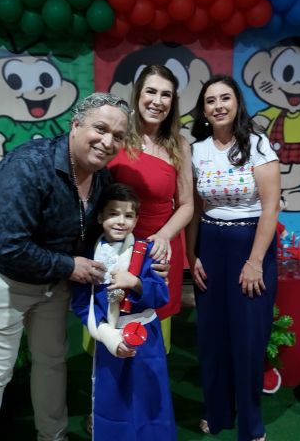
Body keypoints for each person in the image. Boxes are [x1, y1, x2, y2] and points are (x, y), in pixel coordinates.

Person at [0, 93, 131, 441]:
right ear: (75, 125)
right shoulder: (27, 165)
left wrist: (139, 256)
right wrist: (68, 266)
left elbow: (97, 230)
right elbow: (7, 246)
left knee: (52, 361)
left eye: (118, 135)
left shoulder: (102, 177)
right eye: (100, 128)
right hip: (4, 277)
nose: (108, 141)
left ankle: (53, 436)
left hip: (55, 280)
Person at [186, 75, 281, 441]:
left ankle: (251, 424)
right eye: (210, 101)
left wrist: (255, 261)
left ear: (238, 102)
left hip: (250, 246)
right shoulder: (196, 150)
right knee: (212, 336)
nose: (219, 106)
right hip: (210, 244)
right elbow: (195, 209)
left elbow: (271, 208)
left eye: (225, 98)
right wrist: (192, 255)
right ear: (203, 110)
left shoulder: (258, 144)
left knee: (248, 338)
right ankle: (217, 412)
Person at [71, 183, 176, 440]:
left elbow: (161, 296)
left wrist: (136, 283)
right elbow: (82, 304)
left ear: (137, 219)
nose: (121, 221)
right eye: (113, 214)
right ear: (100, 217)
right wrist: (107, 335)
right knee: (112, 397)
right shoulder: (88, 256)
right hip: (109, 337)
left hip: (146, 338)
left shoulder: (146, 251)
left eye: (128, 215)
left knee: (149, 398)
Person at [108, 64, 193, 349]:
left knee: (150, 339)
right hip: (115, 245)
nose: (157, 101)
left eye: (165, 95)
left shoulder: (179, 145)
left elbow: (186, 205)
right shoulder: (116, 136)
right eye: (151, 91)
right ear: (138, 94)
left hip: (157, 250)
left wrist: (164, 236)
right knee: (110, 327)